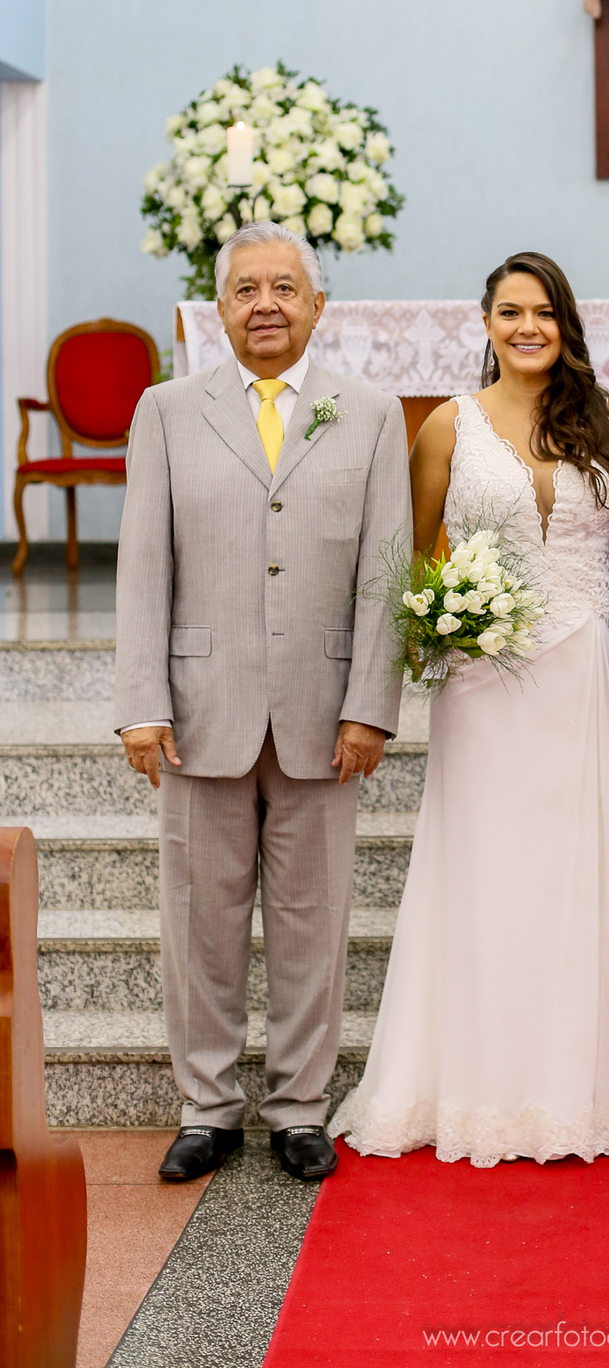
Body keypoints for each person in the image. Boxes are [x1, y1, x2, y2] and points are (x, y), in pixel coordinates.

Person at [331, 252, 609, 1166]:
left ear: (566, 322)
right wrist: (436, 623)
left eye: (543, 311)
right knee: (482, 873)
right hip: (483, 683)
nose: (527, 327)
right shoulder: (448, 425)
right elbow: (405, 554)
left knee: (575, 876)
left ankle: (572, 1091)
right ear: (485, 323)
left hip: (585, 666)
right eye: (510, 311)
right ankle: (468, 1085)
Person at [115, 223, 410, 1183]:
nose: (266, 304)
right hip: (201, 705)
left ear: (318, 306)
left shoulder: (370, 414)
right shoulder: (167, 410)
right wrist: (141, 702)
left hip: (325, 713)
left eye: (285, 287)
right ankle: (207, 1106)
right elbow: (143, 565)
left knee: (312, 921)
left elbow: (386, 569)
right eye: (246, 289)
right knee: (199, 919)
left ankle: (298, 1107)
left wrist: (370, 703)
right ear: (220, 309)